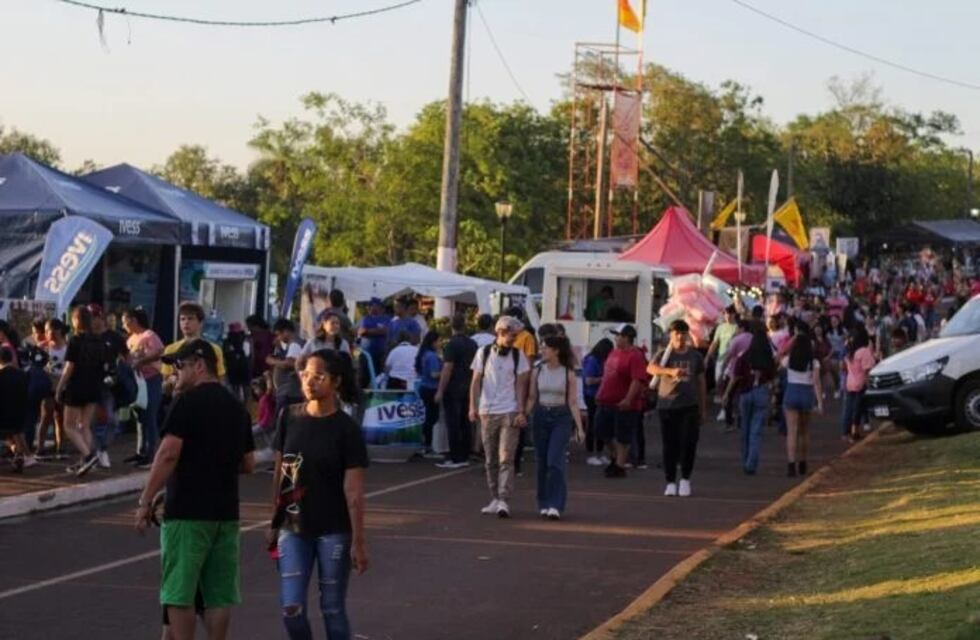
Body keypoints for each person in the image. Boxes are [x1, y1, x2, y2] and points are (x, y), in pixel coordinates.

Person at [134, 339, 255, 640]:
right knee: (218, 595)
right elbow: (248, 463)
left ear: (200, 366)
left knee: (179, 592)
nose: (174, 373)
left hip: (187, 513)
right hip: (226, 513)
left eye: (180, 366)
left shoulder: (187, 402)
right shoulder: (237, 408)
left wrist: (145, 500)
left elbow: (168, 453)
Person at [267, 349, 368, 640]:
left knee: (332, 608)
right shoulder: (289, 416)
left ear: (336, 382)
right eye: (305, 375)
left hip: (334, 530)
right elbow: (280, 472)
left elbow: (354, 492)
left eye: (319, 376)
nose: (309, 382)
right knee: (291, 608)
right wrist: (273, 521)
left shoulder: (347, 430)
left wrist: (358, 542)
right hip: (292, 528)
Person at [469, 316, 531, 518]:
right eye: (512, 336)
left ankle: (504, 499)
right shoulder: (483, 352)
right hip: (487, 411)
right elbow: (475, 381)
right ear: (501, 333)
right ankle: (494, 497)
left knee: (506, 457)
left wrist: (520, 411)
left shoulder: (518, 356)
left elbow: (521, 385)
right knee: (490, 459)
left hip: (509, 410)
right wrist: (472, 406)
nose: (514, 340)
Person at [525, 336, 584, 520]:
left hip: (561, 417)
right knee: (542, 461)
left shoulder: (568, 373)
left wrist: (579, 427)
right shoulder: (537, 370)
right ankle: (543, 502)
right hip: (541, 415)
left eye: (545, 348)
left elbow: (572, 402)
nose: (541, 351)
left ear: (556, 351)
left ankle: (555, 504)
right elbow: (532, 397)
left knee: (554, 460)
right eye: (541, 348)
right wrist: (523, 414)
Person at [647, 320, 707, 497]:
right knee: (669, 445)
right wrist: (669, 371)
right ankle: (670, 481)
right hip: (667, 405)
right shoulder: (664, 354)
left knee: (688, 443)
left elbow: (701, 382)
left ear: (687, 335)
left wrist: (703, 409)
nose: (680, 337)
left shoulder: (695, 356)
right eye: (676, 333)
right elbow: (650, 368)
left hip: (689, 405)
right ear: (671, 335)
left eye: (683, 333)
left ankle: (685, 479)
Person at [56, 305, 111, 477]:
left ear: (76, 320)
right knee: (84, 425)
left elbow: (69, 367)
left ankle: (88, 456)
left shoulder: (75, 340)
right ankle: (87, 459)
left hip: (76, 386)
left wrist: (59, 387)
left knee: (69, 426)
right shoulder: (99, 341)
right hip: (94, 387)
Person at [594, 324, 647, 478]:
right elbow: (607, 375)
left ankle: (619, 465)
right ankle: (615, 456)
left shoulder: (635, 355)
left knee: (622, 435)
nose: (616, 338)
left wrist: (628, 399)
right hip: (606, 400)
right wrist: (600, 393)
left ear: (626, 338)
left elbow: (637, 380)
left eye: (618, 335)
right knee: (601, 431)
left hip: (623, 403)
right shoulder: (614, 352)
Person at [723, 323, 775, 475]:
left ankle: (745, 459)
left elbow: (735, 377)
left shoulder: (744, 357)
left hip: (745, 393)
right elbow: (772, 378)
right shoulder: (768, 358)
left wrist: (727, 393)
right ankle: (751, 463)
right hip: (761, 392)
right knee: (756, 431)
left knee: (745, 428)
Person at [124, 308, 165, 469]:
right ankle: (140, 452)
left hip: (151, 379)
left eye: (125, 321)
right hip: (137, 380)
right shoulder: (131, 339)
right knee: (139, 416)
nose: (124, 325)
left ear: (134, 320)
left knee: (150, 415)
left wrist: (142, 361)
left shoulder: (149, 336)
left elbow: (160, 352)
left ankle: (151, 454)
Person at [435, 313, 477, 469]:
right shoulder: (472, 344)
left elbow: (447, 368)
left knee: (453, 422)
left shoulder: (452, 344)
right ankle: (465, 453)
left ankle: (456, 456)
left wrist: (440, 390)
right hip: (468, 385)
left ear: (452, 326)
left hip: (453, 387)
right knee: (466, 422)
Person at [89, 303, 129, 469]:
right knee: (89, 423)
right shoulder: (85, 337)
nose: (93, 321)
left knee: (112, 420)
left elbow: (126, 357)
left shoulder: (114, 337)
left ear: (101, 318)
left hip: (109, 384)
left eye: (95, 317)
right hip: (89, 383)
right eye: (90, 318)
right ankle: (94, 453)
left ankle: (103, 449)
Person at [781, 325, 823, 477]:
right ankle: (803, 462)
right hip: (806, 393)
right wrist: (819, 402)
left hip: (791, 392)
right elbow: (816, 382)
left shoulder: (789, 360)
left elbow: (781, 354)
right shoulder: (814, 362)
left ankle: (791, 464)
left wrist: (793, 339)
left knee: (791, 432)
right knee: (804, 432)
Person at [162, 303, 227, 383]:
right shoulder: (170, 350)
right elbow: (165, 381)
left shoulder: (214, 349)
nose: (186, 322)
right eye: (182, 319)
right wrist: (172, 380)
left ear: (201, 323)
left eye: (190, 318)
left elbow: (220, 379)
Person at [37, 318, 68, 458]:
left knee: (60, 418)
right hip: (48, 385)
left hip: (63, 385)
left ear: (59, 331)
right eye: (46, 331)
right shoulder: (43, 347)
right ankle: (40, 448)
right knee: (45, 416)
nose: (47, 334)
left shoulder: (68, 347)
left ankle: (60, 448)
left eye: (49, 330)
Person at [0, 347, 34, 472]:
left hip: (3, 418)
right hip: (20, 418)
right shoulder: (23, 375)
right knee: (16, 432)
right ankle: (18, 452)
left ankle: (17, 451)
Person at [842, 327, 876, 443]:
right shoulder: (864, 351)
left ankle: (845, 432)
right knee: (857, 410)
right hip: (861, 384)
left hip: (850, 383)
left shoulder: (850, 351)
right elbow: (867, 370)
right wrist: (869, 385)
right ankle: (854, 432)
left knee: (849, 409)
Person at [582, 338, 613, 466]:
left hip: (601, 395)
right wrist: (604, 378)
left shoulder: (601, 360)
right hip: (591, 395)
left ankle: (599, 452)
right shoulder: (592, 360)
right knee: (592, 424)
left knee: (601, 425)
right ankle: (591, 453)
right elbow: (588, 380)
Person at [268, 319, 305, 420]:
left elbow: (290, 363)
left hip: (290, 392)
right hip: (286, 391)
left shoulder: (295, 344)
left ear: (286, 331)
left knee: (282, 420)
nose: (278, 338)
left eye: (278, 335)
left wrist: (272, 361)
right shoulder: (290, 345)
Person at [415, 330, 443, 457]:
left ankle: (425, 445)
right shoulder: (431, 356)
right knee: (431, 418)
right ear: (433, 342)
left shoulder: (424, 354)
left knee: (429, 417)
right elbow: (434, 374)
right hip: (431, 388)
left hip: (425, 387)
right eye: (439, 341)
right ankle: (427, 446)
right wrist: (446, 373)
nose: (440, 343)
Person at [223, 322, 251, 403]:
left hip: (232, 368)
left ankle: (236, 404)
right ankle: (246, 405)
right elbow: (248, 354)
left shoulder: (227, 342)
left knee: (234, 390)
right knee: (245, 389)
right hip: (244, 366)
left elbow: (225, 355)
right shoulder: (246, 340)